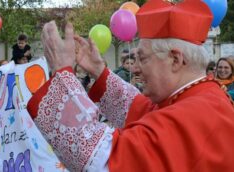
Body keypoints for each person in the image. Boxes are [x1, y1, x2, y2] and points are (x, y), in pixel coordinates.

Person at [27, 0, 234, 172]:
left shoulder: (196, 113)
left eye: (142, 58)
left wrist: (62, 71)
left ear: (175, 60)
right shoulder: (199, 97)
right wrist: (99, 71)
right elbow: (142, 110)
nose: (135, 69)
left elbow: (106, 161)